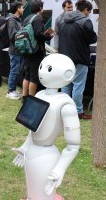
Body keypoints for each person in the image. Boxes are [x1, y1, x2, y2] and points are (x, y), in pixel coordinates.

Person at [13, 54, 80, 200]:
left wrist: (59, 169)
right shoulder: (40, 94)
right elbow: (33, 127)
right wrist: (25, 147)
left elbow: (73, 144)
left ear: (67, 74)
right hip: (32, 152)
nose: (42, 72)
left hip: (47, 156)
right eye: (42, 67)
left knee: (43, 194)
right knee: (32, 192)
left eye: (48, 69)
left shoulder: (66, 104)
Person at [58, 0, 97, 120]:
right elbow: (92, 39)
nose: (89, 14)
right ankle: (78, 111)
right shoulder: (85, 21)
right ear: (85, 10)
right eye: (89, 11)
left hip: (65, 58)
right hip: (80, 57)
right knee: (78, 86)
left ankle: (63, 109)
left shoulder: (63, 20)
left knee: (65, 85)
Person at [22, 0, 54, 101]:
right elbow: (38, 34)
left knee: (27, 75)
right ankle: (31, 99)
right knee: (34, 77)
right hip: (36, 51)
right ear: (40, 8)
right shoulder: (38, 19)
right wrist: (49, 36)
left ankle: (24, 96)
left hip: (27, 50)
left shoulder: (27, 18)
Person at [5, 1, 24, 100]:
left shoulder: (17, 20)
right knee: (14, 71)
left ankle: (13, 90)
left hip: (18, 50)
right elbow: (13, 36)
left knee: (16, 71)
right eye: (22, 7)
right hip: (15, 50)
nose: (23, 9)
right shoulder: (12, 20)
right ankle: (10, 91)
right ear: (18, 9)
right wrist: (24, 35)